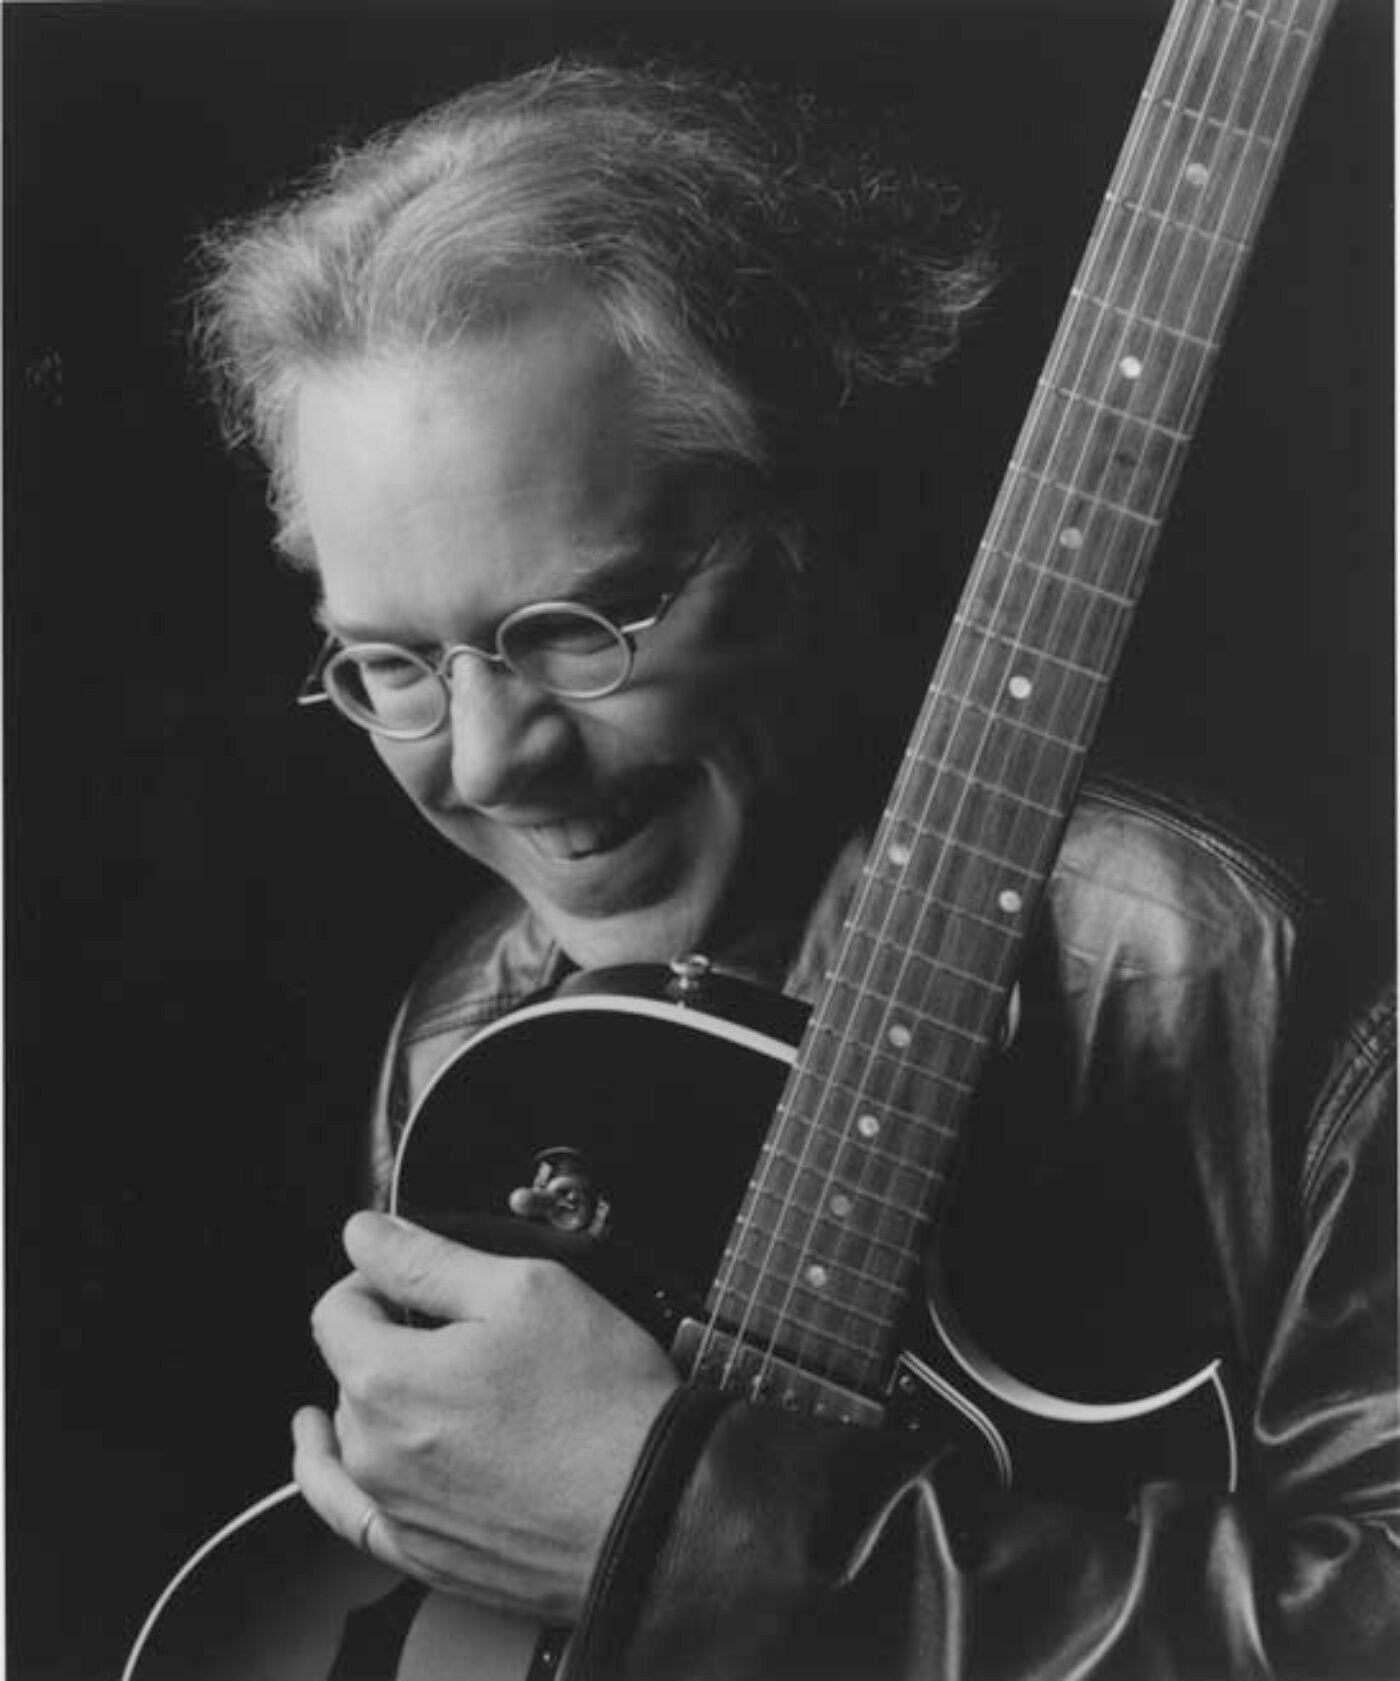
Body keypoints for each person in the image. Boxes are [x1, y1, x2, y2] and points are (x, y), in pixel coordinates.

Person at [193, 56, 1397, 1680]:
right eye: (391, 663)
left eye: (574, 628)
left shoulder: (1230, 959)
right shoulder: (477, 1014)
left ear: (810, 541)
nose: (482, 763)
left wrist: (688, 1532)